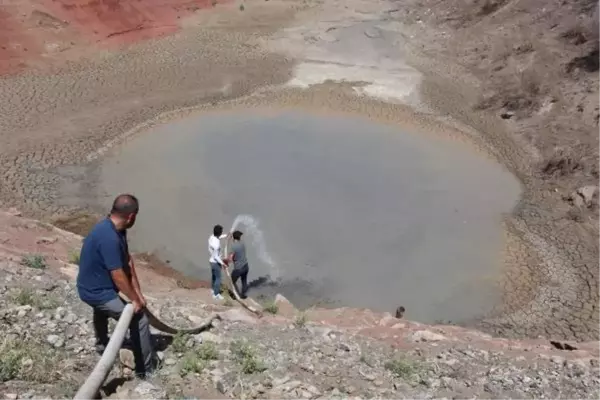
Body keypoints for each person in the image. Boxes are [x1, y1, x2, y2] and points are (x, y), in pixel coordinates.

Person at [76, 194, 155, 378]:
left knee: (104, 310)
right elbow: (118, 274)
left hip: (100, 286)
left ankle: (102, 344)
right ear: (132, 216)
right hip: (93, 291)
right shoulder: (108, 237)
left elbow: (127, 262)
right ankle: (146, 370)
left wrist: (138, 294)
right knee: (139, 319)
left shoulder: (118, 229)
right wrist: (135, 303)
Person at [208, 224, 229, 300]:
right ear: (219, 233)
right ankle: (216, 294)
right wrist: (223, 264)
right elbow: (216, 256)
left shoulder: (211, 237)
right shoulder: (216, 244)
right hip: (216, 263)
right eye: (221, 232)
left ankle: (212, 290)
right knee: (218, 279)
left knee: (214, 277)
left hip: (211, 261)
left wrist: (226, 235)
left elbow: (218, 237)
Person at [227, 230, 250, 299]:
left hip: (238, 268)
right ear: (239, 237)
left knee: (231, 281)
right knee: (244, 281)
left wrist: (225, 260)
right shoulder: (242, 243)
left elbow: (230, 259)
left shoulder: (233, 246)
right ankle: (243, 296)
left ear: (233, 238)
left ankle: (235, 296)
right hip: (246, 266)